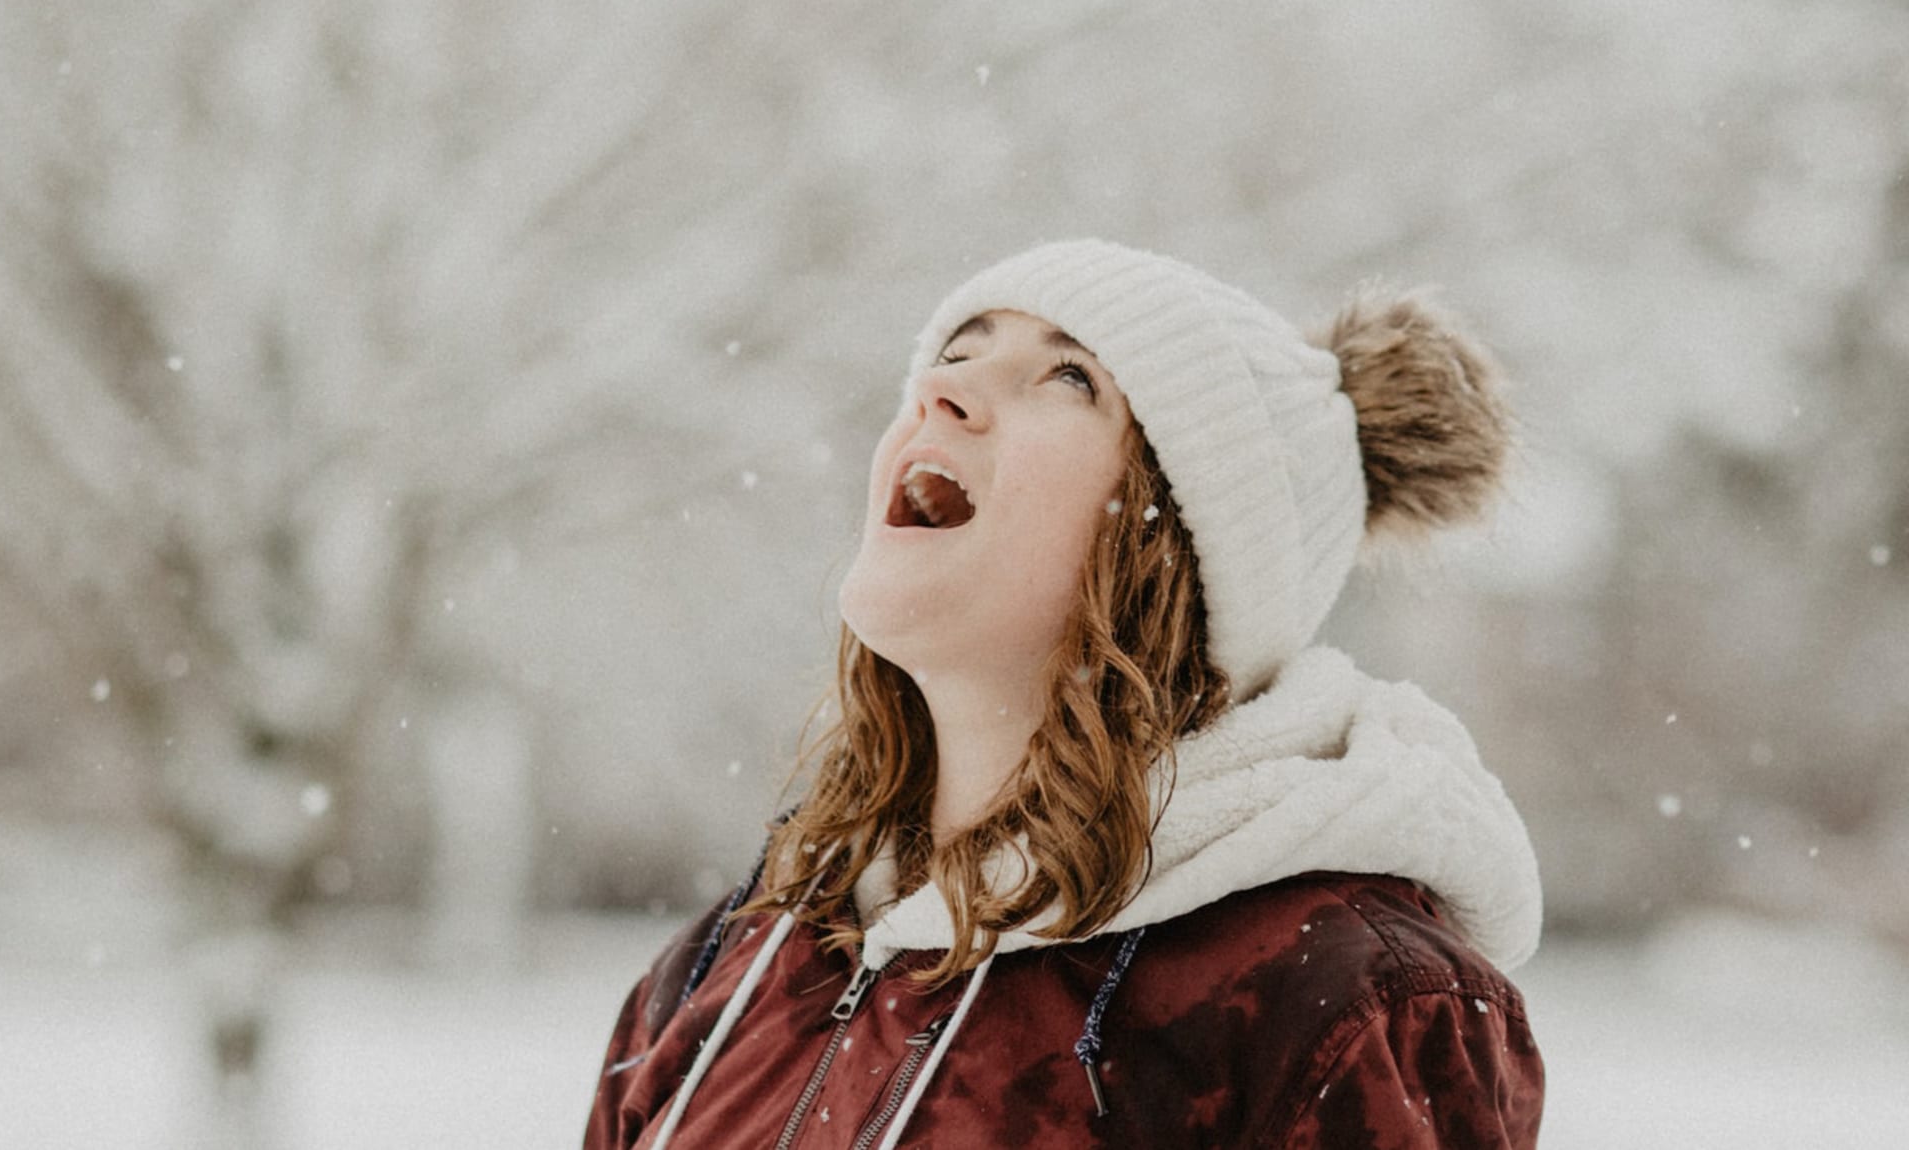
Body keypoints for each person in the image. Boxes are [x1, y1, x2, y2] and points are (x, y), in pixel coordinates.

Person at [583, 239, 1546, 1149]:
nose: (940, 389)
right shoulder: (734, 961)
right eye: (955, 354)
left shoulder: (1341, 1004)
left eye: (1068, 376)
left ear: (1184, 546)